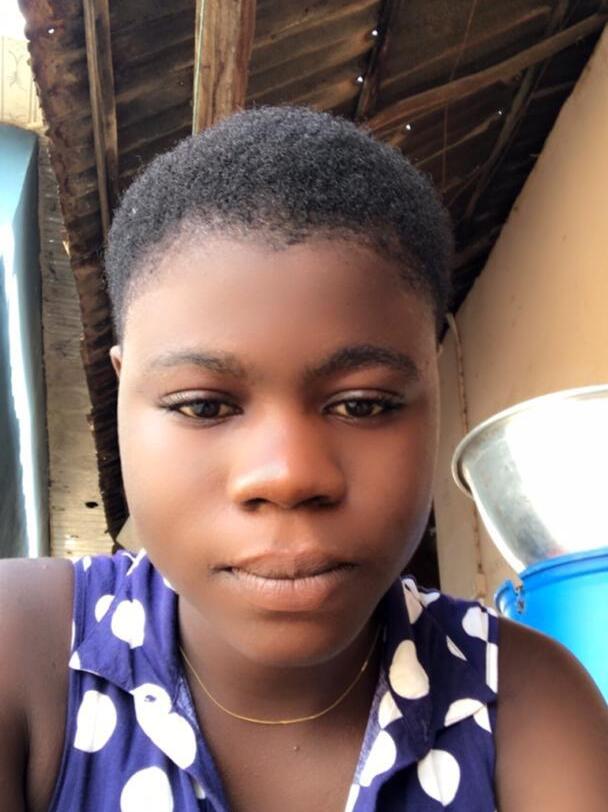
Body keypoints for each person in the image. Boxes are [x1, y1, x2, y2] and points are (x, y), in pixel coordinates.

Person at [0, 106, 606, 812]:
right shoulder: (25, 652)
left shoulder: (525, 700)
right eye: (204, 406)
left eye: (363, 405)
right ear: (122, 391)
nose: (288, 476)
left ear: (433, 394)